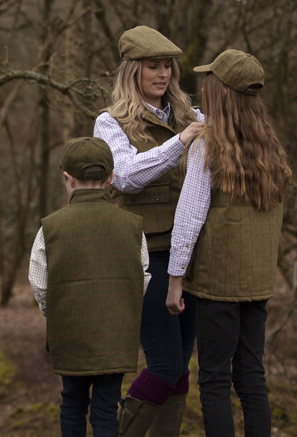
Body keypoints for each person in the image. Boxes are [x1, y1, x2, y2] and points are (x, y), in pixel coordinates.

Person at [165, 49, 292, 437]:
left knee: (215, 380)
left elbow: (188, 219)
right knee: (252, 376)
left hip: (218, 285)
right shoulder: (272, 151)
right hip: (256, 284)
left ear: (221, 93)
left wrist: (175, 279)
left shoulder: (208, 148)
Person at [91, 26, 205, 437]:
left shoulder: (190, 117)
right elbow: (124, 176)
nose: (163, 74)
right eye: (152, 66)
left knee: (180, 368)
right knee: (164, 364)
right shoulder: (111, 123)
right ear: (132, 72)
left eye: (168, 66)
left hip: (190, 254)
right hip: (147, 254)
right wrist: (182, 142)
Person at [28, 137, 151, 437]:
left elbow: (40, 283)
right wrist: (122, 310)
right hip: (116, 334)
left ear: (67, 179)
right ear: (111, 178)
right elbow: (143, 277)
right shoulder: (133, 225)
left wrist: (54, 316)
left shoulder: (51, 227)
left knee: (72, 403)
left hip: (70, 333)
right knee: (107, 408)